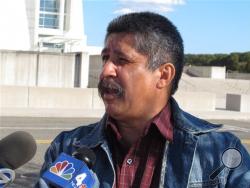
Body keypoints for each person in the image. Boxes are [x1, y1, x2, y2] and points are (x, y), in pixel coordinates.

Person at [37, 12, 250, 187]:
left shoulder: (220, 153)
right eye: (105, 58)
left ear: (164, 75)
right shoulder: (67, 147)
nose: (105, 71)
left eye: (121, 60)